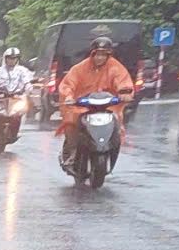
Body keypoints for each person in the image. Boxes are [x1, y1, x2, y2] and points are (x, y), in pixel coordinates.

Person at [55, 31, 134, 167]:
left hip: (107, 106)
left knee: (117, 123)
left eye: (103, 55)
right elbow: (68, 84)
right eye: (97, 54)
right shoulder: (80, 68)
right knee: (70, 122)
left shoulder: (115, 68)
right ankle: (72, 152)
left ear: (108, 55)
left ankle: (111, 148)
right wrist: (68, 96)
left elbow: (123, 81)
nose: (100, 58)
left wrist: (125, 92)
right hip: (82, 106)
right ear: (92, 54)